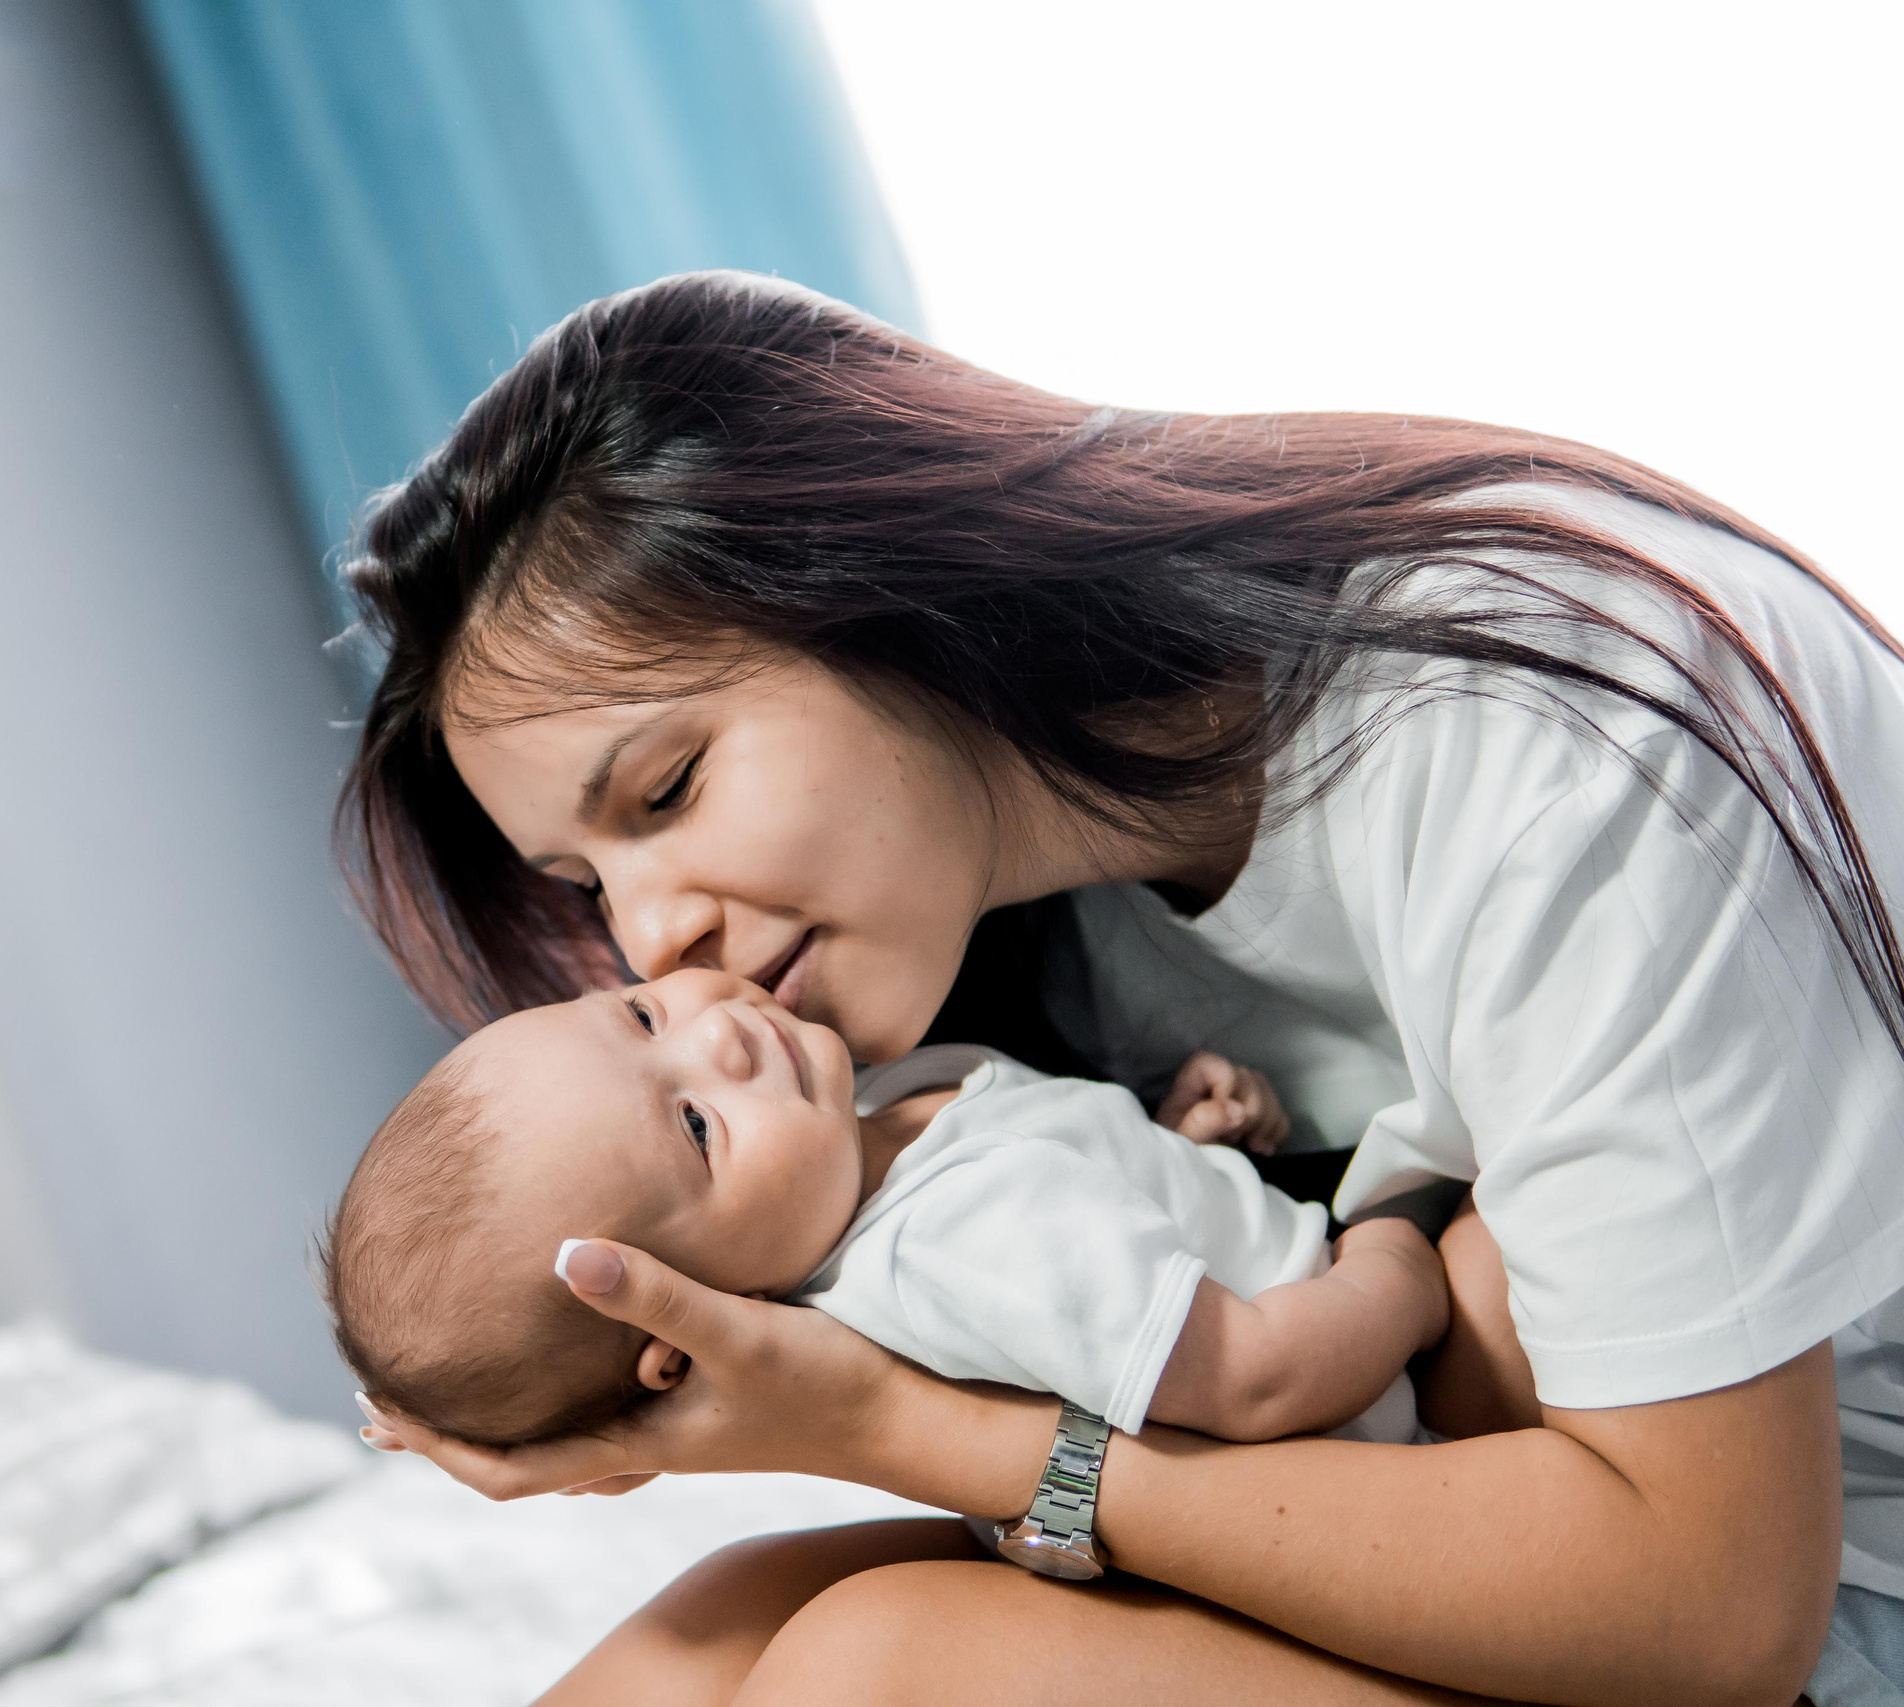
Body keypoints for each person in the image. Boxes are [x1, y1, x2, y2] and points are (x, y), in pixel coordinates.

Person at [336, 271, 1904, 1705]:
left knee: (878, 1666)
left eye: (670, 787)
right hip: (1567, 1502)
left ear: (882, 587)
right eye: (587, 885)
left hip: (1792, 1588)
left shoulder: (1543, 752)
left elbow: (1712, 1614)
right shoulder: (988, 950)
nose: (653, 939)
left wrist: (896, 1425)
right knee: (704, 1640)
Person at [322, 968, 1437, 1449]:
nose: (719, 1034)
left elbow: (1096, 1248)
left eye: (641, 1015)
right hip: (1375, 1409)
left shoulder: (871, 1116)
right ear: (679, 1330)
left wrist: (1170, 1153)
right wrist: (1398, 1239)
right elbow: (1254, 1376)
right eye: (697, 1127)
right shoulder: (944, 1245)